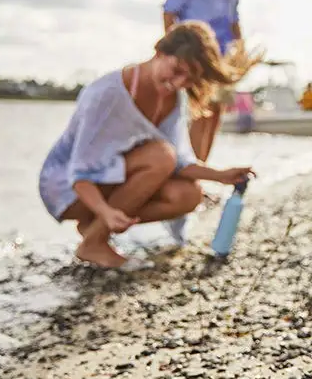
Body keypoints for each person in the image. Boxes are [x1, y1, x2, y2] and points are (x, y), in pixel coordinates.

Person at [38, 21, 256, 269]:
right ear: (159, 52)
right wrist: (105, 211)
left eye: (189, 79)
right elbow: (80, 171)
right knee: (160, 155)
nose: (177, 83)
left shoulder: (173, 99)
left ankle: (93, 229)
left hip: (109, 178)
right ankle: (94, 241)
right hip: (65, 187)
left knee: (188, 194)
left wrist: (220, 175)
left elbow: (180, 163)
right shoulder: (107, 94)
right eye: (176, 70)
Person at [162, 0, 247, 162]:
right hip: (195, 53)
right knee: (200, 112)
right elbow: (170, 12)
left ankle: (201, 170)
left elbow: (234, 19)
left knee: (216, 111)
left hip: (222, 57)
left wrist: (241, 52)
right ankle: (190, 174)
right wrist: (173, 55)